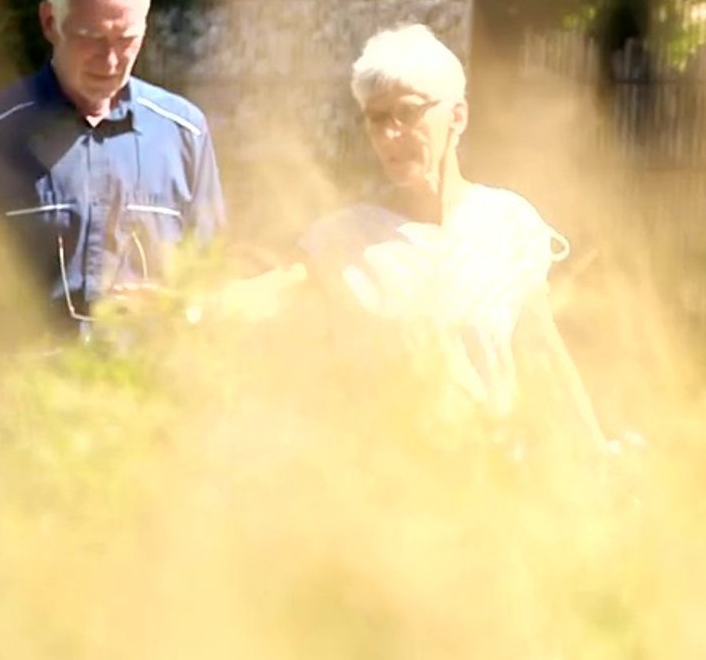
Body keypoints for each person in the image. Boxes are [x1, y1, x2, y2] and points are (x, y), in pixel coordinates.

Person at [213, 23, 609, 455]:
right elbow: (273, 290)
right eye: (376, 119)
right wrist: (187, 305)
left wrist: (597, 461)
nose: (388, 135)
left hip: (493, 488)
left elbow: (544, 356)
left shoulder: (509, 224)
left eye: (406, 113)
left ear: (457, 116)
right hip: (387, 496)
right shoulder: (342, 239)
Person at [0, 0, 225, 336]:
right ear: (50, 21)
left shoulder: (185, 132)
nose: (111, 59)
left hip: (152, 391)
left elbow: (210, 281)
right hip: (28, 391)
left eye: (126, 38)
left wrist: (176, 306)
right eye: (91, 38)